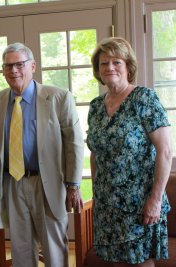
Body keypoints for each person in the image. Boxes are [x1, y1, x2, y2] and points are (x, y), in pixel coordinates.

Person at [0, 42, 84, 267]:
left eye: (19, 64)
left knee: (53, 248)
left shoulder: (58, 97)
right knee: (20, 249)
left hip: (47, 183)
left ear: (33, 66)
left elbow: (74, 144)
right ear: (3, 70)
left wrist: (73, 184)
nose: (14, 71)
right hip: (13, 183)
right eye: (8, 66)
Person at [86, 37, 172, 267]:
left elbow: (164, 151)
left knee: (140, 262)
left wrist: (155, 199)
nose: (110, 67)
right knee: (117, 263)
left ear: (128, 66)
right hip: (108, 202)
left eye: (117, 62)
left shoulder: (144, 98)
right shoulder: (95, 107)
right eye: (104, 63)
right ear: (98, 70)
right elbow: (95, 153)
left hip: (139, 201)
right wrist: (97, 194)